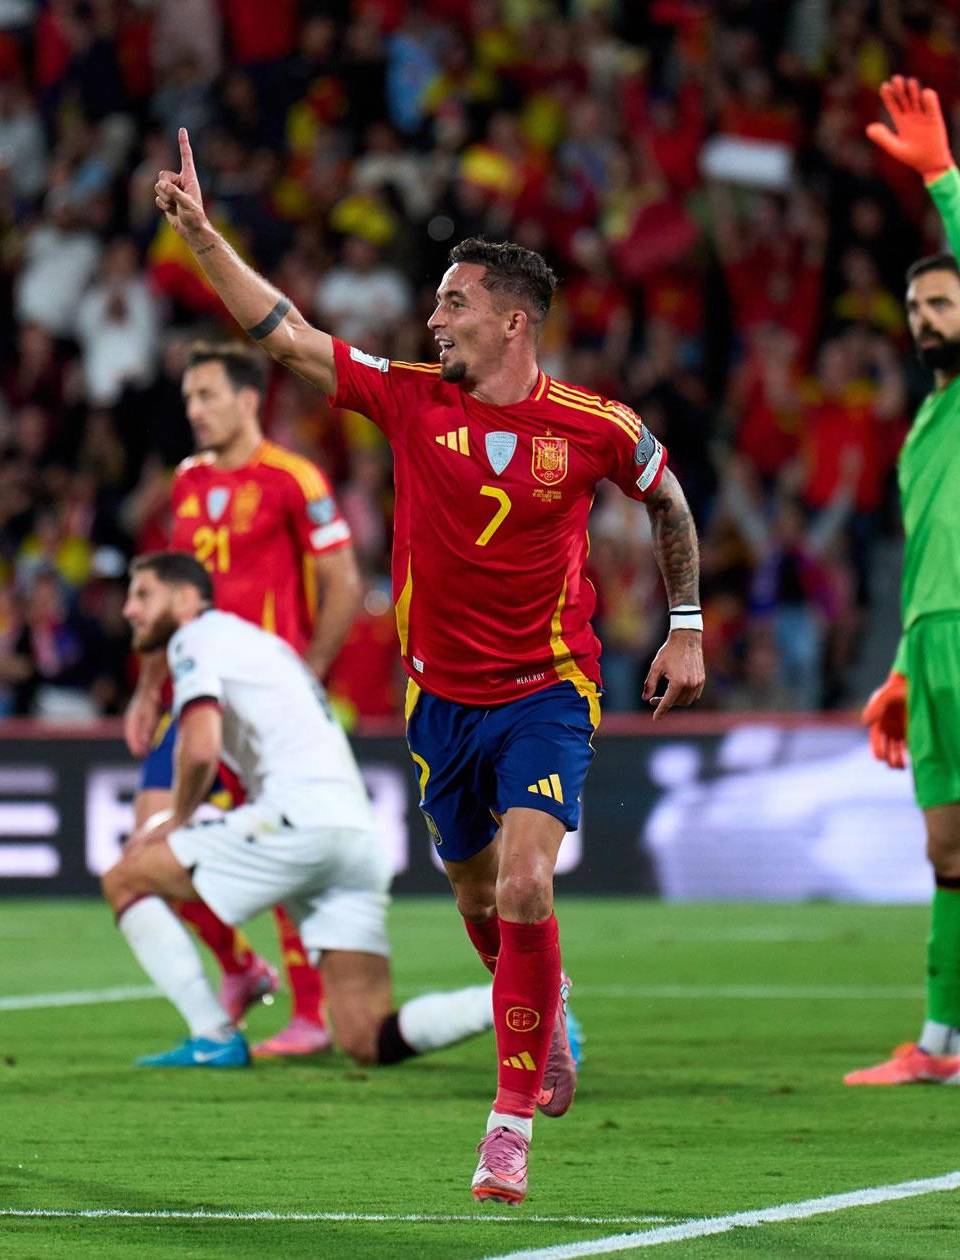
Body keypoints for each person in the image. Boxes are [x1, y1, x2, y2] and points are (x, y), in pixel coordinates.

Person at [154, 131, 705, 1203]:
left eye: (454, 303)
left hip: (548, 689)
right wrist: (205, 239)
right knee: (475, 892)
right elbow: (287, 336)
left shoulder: (594, 426)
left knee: (527, 882)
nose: (433, 318)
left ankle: (508, 1127)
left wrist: (684, 624)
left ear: (513, 320)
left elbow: (668, 500)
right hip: (440, 701)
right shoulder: (410, 398)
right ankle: (538, 1006)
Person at [105, 553, 492, 1069]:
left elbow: (200, 748)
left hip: (298, 820)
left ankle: (213, 1035)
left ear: (185, 598)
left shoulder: (194, 638)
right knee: (365, 1036)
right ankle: (525, 1004)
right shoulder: (263, 645)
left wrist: (174, 819)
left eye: (143, 594)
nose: (129, 609)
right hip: (355, 835)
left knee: (125, 878)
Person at [125, 341, 362, 1059]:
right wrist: (148, 687)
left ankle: (313, 1014)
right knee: (147, 840)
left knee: (279, 845)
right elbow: (168, 595)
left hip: (263, 704)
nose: (195, 410)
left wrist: (309, 672)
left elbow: (344, 582)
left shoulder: (295, 478)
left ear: (248, 399)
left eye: (207, 395)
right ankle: (240, 967)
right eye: (189, 398)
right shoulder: (188, 481)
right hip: (195, 695)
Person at [847, 76, 960, 1086]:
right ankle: (940, 1045)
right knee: (949, 855)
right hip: (931, 645)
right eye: (919, 304)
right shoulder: (925, 425)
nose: (926, 316)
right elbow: (930, 561)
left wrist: (944, 180)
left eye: (944, 300)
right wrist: (898, 666)